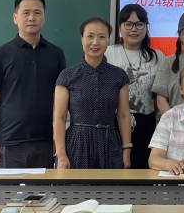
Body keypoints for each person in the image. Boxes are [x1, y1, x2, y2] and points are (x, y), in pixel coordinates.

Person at [0, 0, 66, 168]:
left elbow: (59, 100)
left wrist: (58, 138)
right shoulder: (0, 54)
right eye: (26, 13)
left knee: (44, 187)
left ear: (44, 18)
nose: (31, 18)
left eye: (37, 13)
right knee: (9, 187)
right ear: (15, 18)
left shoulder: (56, 54)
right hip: (9, 142)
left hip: (45, 141)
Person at [54, 17, 131, 169]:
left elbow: (123, 115)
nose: (95, 42)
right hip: (77, 144)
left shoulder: (119, 76)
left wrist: (127, 150)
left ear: (108, 40)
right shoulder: (67, 76)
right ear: (82, 39)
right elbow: (60, 117)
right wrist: (61, 154)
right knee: (77, 184)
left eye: (101, 37)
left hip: (110, 143)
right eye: (90, 36)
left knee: (110, 184)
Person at [105, 4, 165, 169]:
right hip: (113, 123)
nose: (134, 29)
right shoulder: (108, 53)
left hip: (146, 123)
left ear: (146, 27)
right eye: (128, 24)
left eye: (139, 24)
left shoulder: (157, 57)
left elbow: (160, 95)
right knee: (115, 170)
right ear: (120, 27)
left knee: (143, 171)